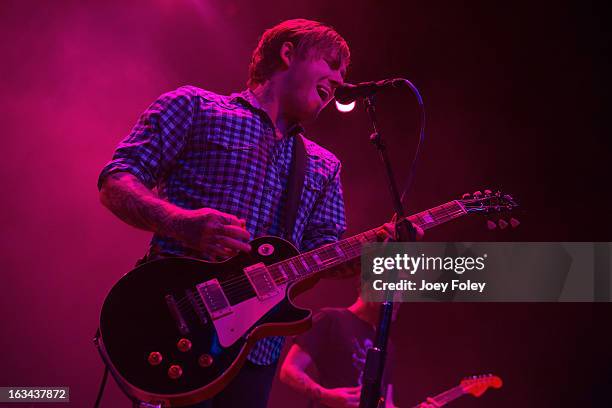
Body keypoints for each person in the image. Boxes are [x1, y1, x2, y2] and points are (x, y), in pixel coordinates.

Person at [98, 18, 420, 407]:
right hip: (172, 326)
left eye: (343, 74)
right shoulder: (195, 107)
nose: (339, 81)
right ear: (288, 53)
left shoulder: (323, 165)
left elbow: (325, 256)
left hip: (256, 352)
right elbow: (117, 180)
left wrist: (379, 247)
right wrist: (181, 223)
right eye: (332, 64)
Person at [280, 293, 438, 408]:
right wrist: (327, 396)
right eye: (396, 290)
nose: (400, 300)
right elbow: (289, 370)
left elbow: (387, 404)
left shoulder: (386, 344)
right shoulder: (330, 318)